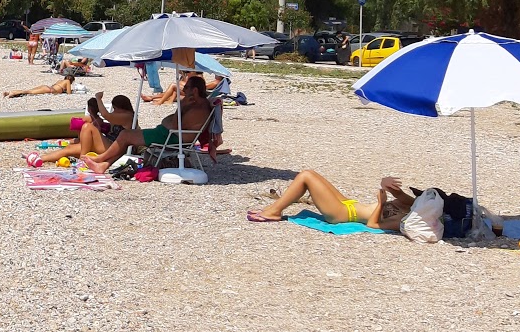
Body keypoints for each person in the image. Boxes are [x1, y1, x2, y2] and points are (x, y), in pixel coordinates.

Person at [82, 75, 211, 172]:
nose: (183, 89)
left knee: (125, 135)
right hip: (167, 134)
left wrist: (181, 107)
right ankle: (103, 165)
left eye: (186, 87)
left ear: (194, 90)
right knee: (126, 136)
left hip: (171, 138)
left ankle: (100, 159)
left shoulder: (198, 109)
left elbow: (177, 127)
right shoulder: (199, 104)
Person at [247, 171, 415, 229]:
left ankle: (274, 212)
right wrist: (385, 183)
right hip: (349, 203)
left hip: (343, 214)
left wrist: (380, 205)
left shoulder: (407, 221)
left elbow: (373, 225)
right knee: (309, 172)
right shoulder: (412, 204)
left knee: (306, 177)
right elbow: (396, 192)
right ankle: (273, 207)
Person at [45, 93, 136, 158]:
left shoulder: (128, 116)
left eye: (115, 108)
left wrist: (98, 99)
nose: (114, 111)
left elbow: (106, 115)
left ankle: (83, 158)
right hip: (109, 144)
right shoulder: (121, 116)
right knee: (69, 149)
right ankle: (39, 159)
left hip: (116, 148)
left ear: (122, 108)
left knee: (87, 127)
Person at [3, 75, 75, 98]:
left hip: (46, 87)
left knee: (28, 90)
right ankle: (12, 92)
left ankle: (8, 92)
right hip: (49, 90)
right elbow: (69, 93)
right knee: (28, 92)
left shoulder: (60, 81)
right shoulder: (68, 82)